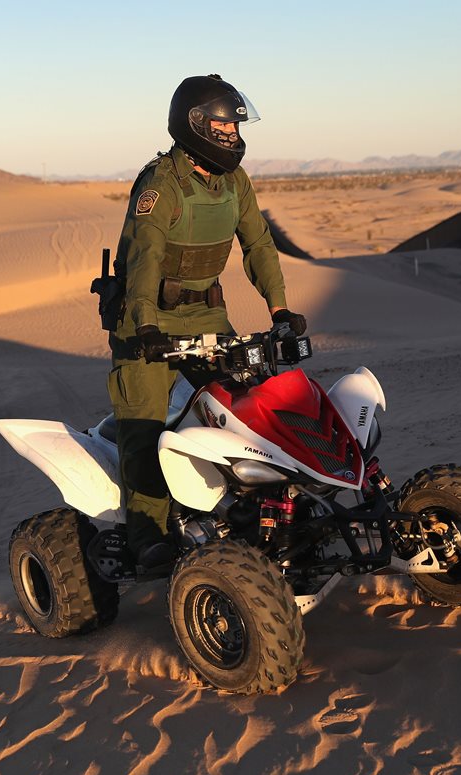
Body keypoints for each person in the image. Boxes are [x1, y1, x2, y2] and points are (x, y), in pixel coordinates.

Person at [107, 74, 308, 572]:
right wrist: (147, 326)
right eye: (223, 124)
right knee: (143, 427)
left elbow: (259, 244)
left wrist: (279, 309)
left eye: (237, 125)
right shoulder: (161, 185)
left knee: (246, 403)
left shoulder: (234, 182)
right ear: (194, 124)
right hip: (146, 321)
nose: (233, 134)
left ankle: (256, 511)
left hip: (208, 312)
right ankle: (146, 536)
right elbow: (145, 262)